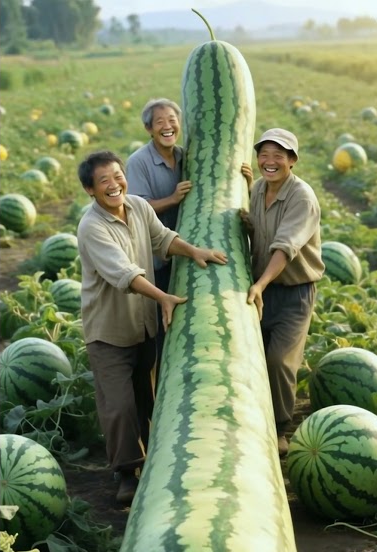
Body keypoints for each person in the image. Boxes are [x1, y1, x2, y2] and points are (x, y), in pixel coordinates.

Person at [76, 150, 227, 504]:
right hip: (109, 333)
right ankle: (126, 473)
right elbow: (123, 273)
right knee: (119, 406)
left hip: (141, 326)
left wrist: (194, 251)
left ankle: (152, 461)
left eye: (117, 176)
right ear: (90, 190)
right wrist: (163, 297)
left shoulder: (139, 208)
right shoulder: (92, 226)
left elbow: (163, 239)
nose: (114, 185)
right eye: (104, 181)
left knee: (147, 399)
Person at [240, 128, 325, 456]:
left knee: (278, 361)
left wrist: (259, 284)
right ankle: (255, 422)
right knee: (256, 358)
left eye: (279, 156)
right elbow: (255, 228)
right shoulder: (259, 189)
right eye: (264, 154)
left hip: (293, 293)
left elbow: (285, 247)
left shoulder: (302, 196)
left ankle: (279, 429)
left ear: (292, 161)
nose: (270, 161)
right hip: (262, 290)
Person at [124, 98, 192, 380]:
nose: (168, 126)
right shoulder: (138, 162)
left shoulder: (186, 157)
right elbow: (136, 210)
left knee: (181, 327)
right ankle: (161, 390)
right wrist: (173, 199)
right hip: (155, 263)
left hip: (184, 256)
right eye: (160, 122)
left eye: (172, 120)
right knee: (160, 334)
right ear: (148, 129)